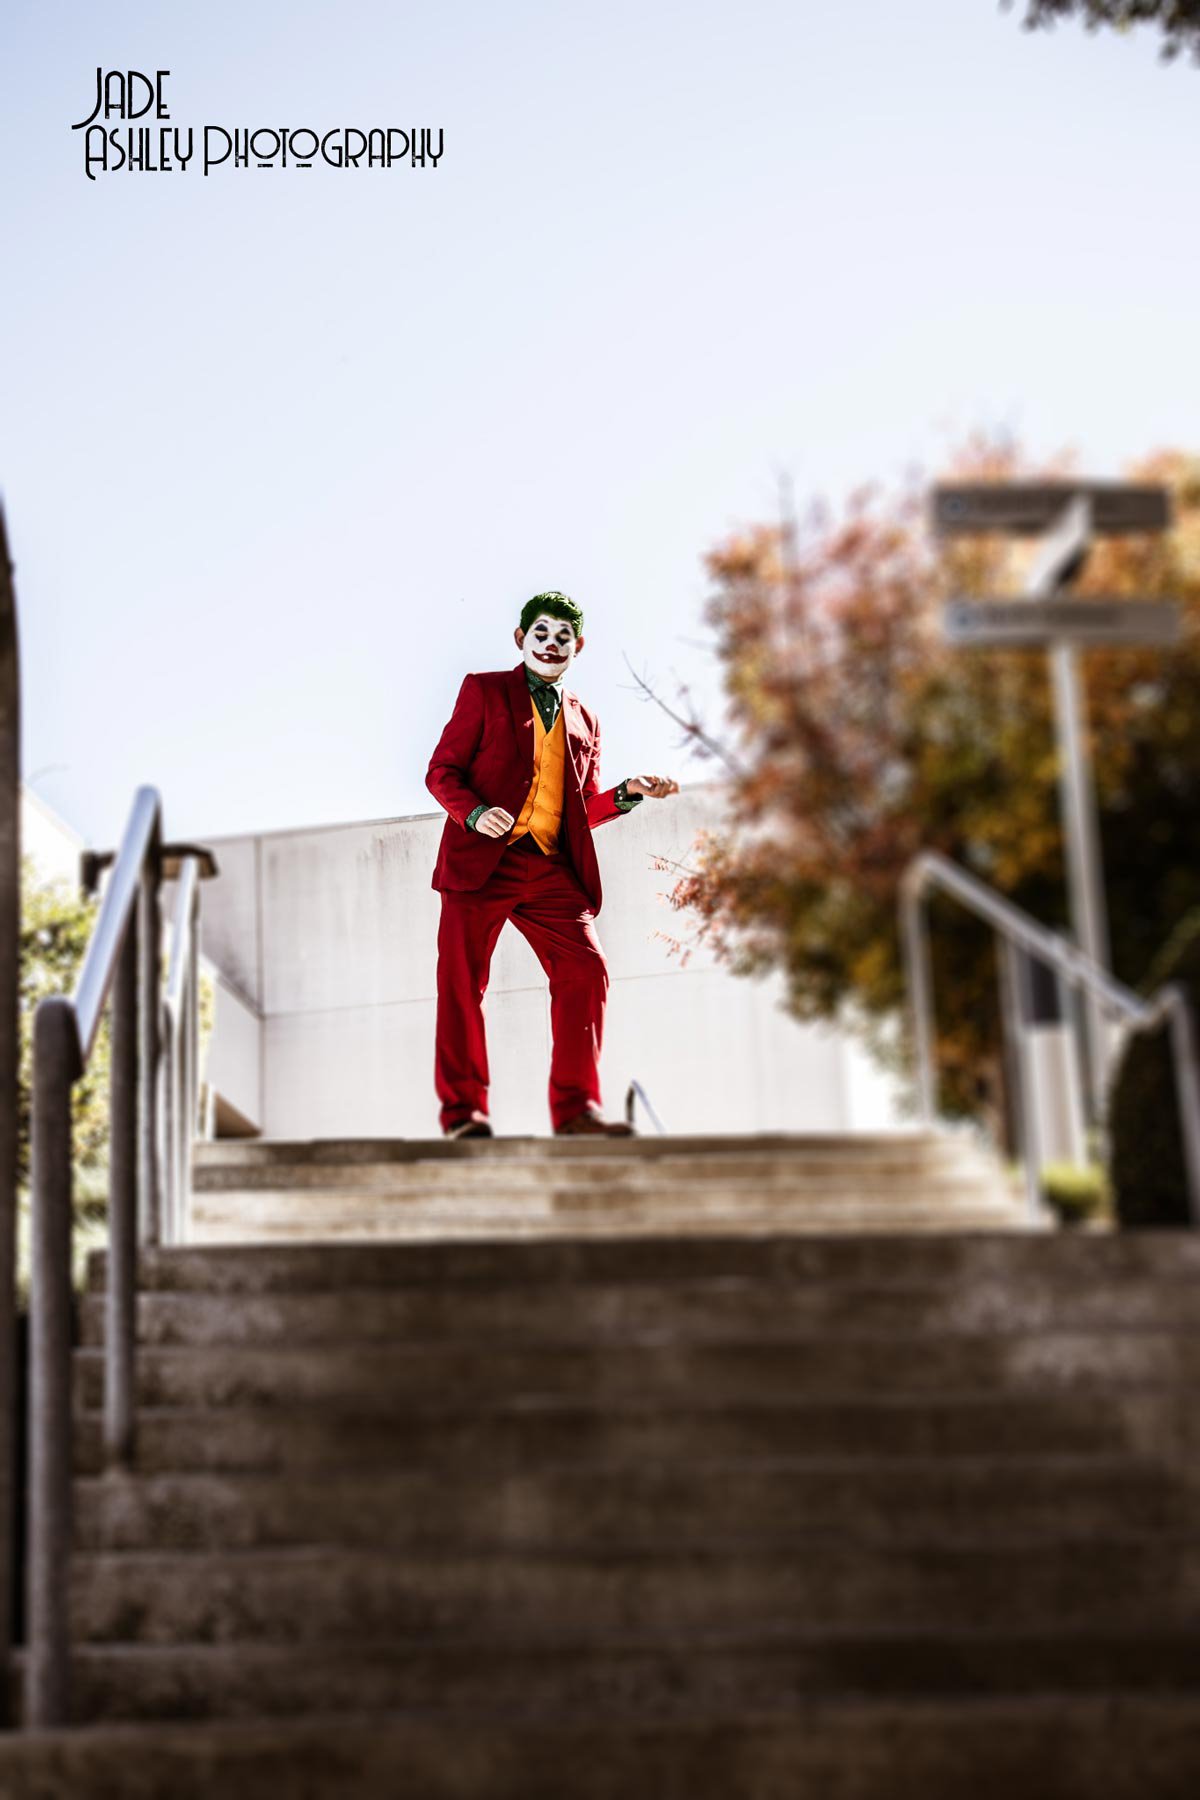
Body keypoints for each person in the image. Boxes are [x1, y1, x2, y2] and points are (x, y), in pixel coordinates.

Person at [425, 590, 679, 1139]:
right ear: (521, 639)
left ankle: (576, 1111)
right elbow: (441, 771)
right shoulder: (484, 691)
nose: (551, 644)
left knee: (586, 969)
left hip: (546, 867)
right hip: (480, 863)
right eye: (541, 633)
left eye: (563, 637)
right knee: (462, 983)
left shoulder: (586, 719)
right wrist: (474, 814)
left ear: (578, 646)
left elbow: (577, 813)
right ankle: (463, 1114)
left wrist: (626, 793)